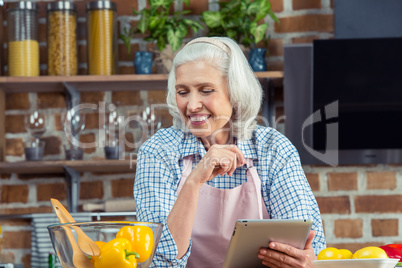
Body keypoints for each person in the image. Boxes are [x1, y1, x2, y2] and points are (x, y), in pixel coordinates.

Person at [134, 36, 326, 268]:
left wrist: (306, 261)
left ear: (235, 92)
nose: (192, 105)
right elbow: (159, 262)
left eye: (206, 90)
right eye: (183, 92)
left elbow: (309, 248)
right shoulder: (158, 152)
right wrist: (194, 180)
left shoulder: (273, 149)